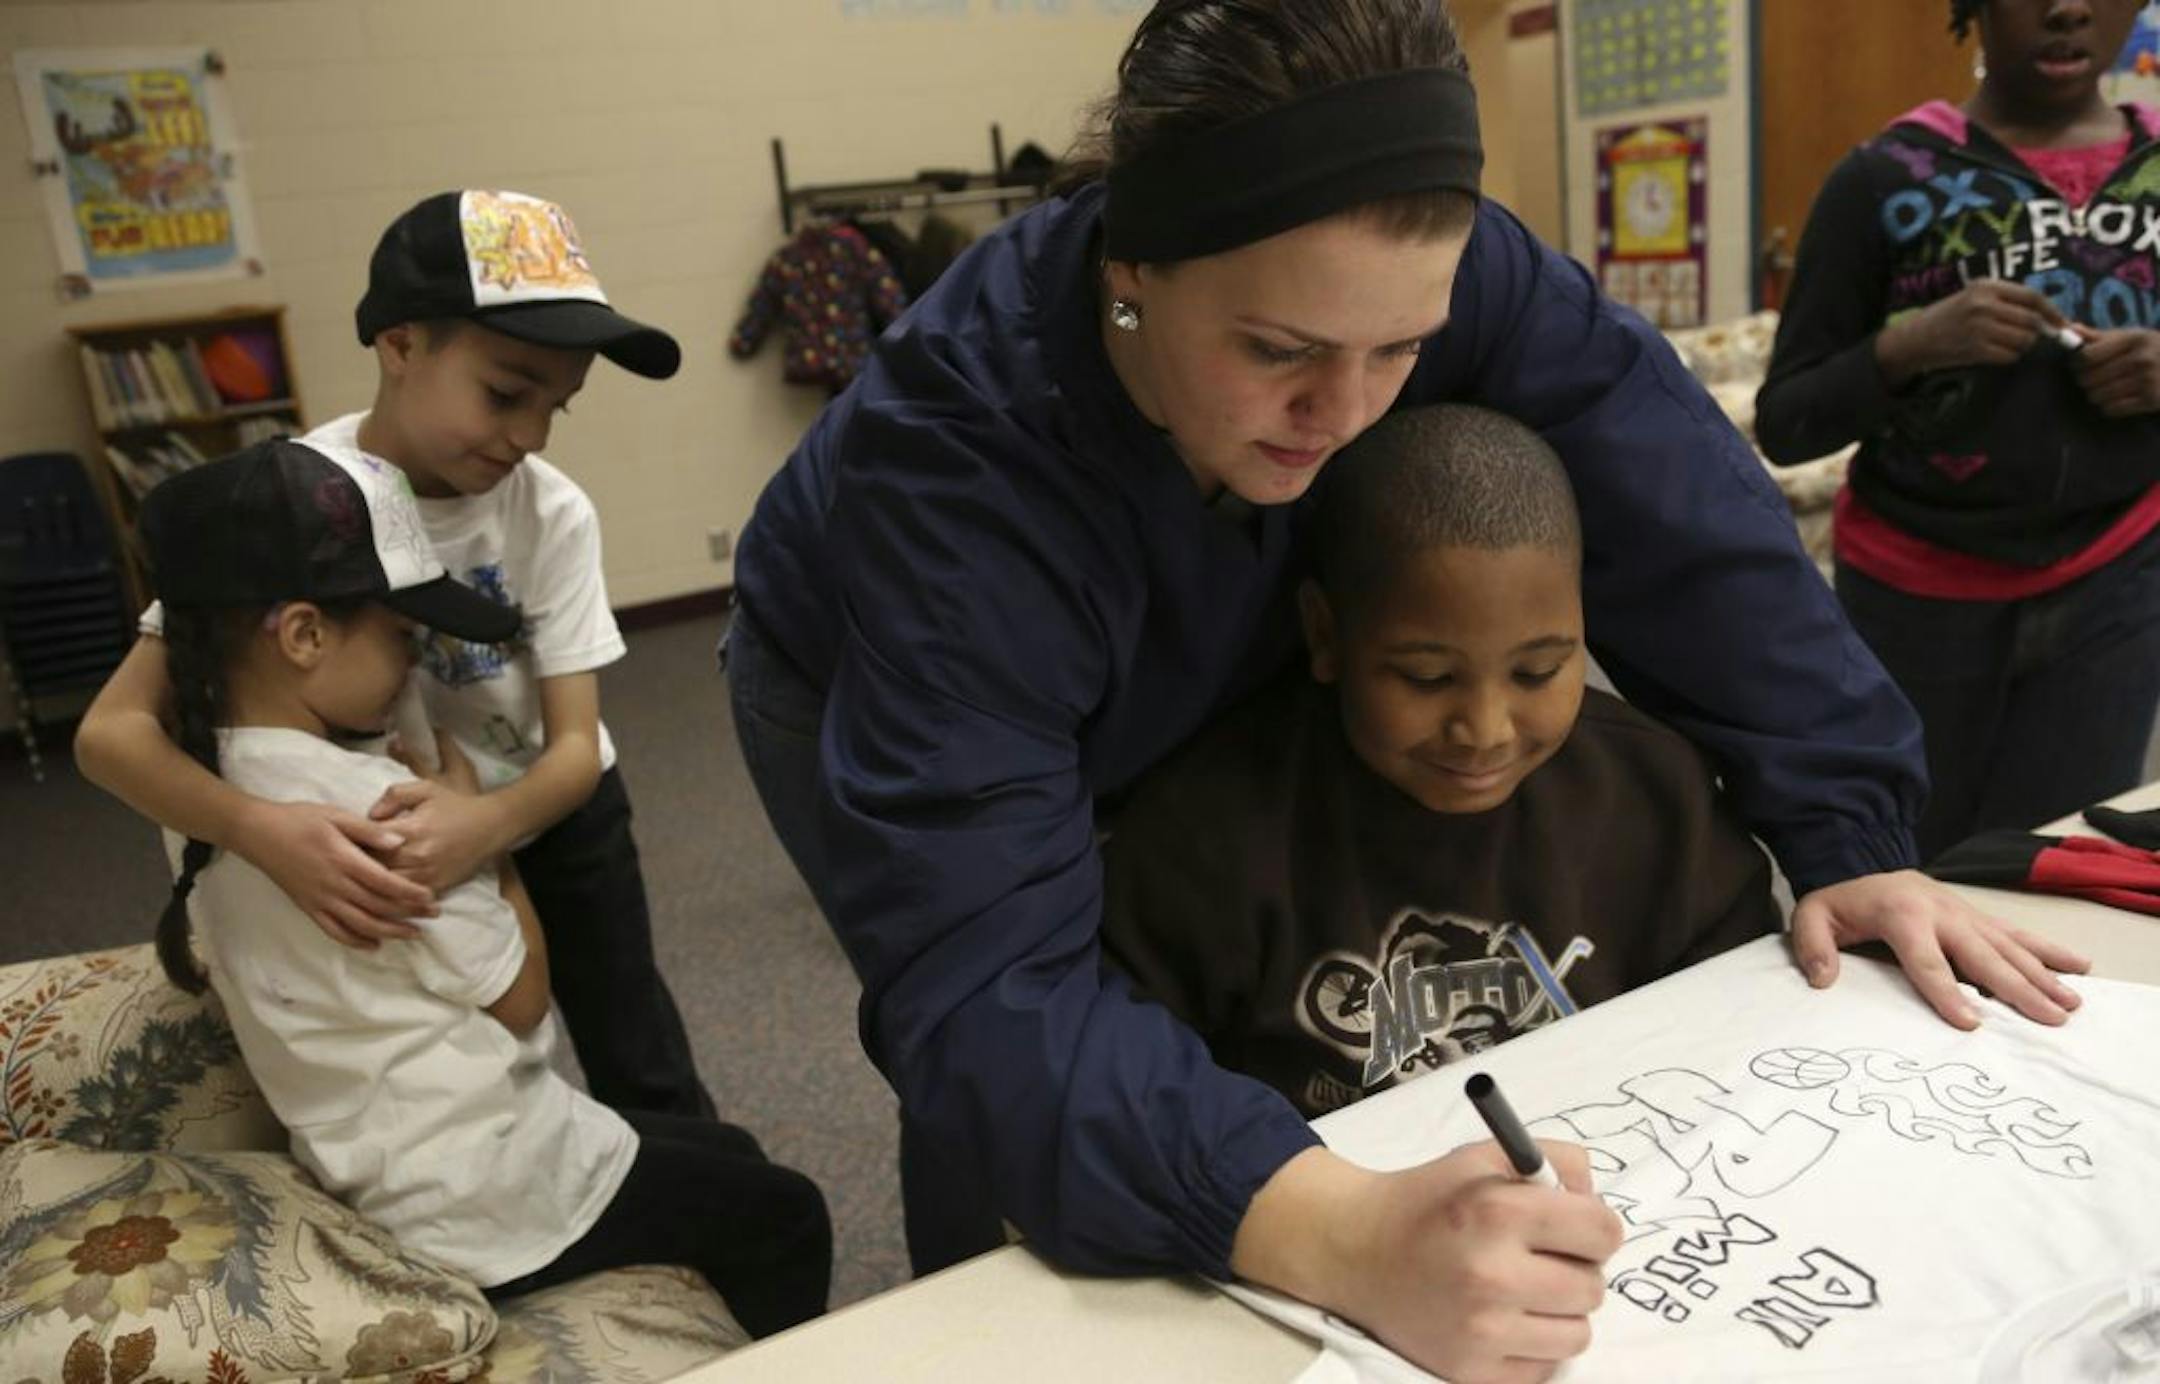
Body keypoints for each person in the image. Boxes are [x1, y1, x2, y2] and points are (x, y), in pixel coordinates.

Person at [724, 1, 2087, 1376]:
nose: (1349, 414)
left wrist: (1846, 835)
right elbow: (984, 975)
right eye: (1278, 349)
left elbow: (1693, 528)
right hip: (871, 666)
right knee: (996, 1033)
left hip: (1211, 570)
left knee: (1203, 940)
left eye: (1401, 351)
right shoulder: (953, 476)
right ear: (1129, 267)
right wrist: (1345, 1239)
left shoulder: (1433, 283)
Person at [134, 438, 830, 1332]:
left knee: (722, 1149)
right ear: (305, 634)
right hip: (479, 1191)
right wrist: (481, 835)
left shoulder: (194, 780)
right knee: (789, 1212)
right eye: (401, 639)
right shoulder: (381, 814)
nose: (414, 666)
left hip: (381, 1150)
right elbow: (523, 999)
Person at [77, 190, 714, 1119]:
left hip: (551, 819)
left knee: (640, 1056)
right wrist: (257, 830)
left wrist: (487, 827)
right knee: (446, 1073)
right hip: (382, 839)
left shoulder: (552, 512)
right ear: (402, 344)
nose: (530, 435)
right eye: (505, 393)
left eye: (557, 407)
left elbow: (575, 748)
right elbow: (111, 735)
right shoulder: (287, 503)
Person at [1099, 404, 1782, 1120]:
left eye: (1538, 672)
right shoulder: (1209, 835)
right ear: (1326, 635)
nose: (1485, 731)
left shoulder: (1654, 797)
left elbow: (1738, 1016)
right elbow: (1129, 1087)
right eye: (1427, 679)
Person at [1757, 0, 2160, 861]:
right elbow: (1786, 421)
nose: (2066, 8)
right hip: (1914, 604)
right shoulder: (1884, 176)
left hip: (2115, 592)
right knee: (1898, 867)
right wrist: (1910, 346)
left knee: (2063, 870)